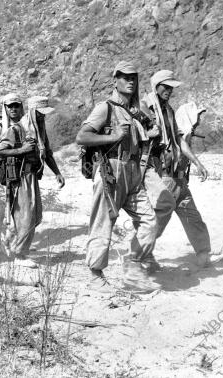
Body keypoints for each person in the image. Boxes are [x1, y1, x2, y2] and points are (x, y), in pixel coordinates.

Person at [75, 61, 160, 292]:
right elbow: (82, 137)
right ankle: (95, 274)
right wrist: (112, 138)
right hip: (111, 170)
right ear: (115, 80)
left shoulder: (133, 112)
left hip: (133, 171)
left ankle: (133, 267)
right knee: (103, 223)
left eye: (133, 77)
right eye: (124, 77)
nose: (130, 81)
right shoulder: (106, 108)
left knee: (149, 221)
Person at [129, 70, 212, 272]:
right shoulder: (143, 108)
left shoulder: (169, 111)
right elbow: (133, 137)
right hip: (161, 175)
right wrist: (149, 134)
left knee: (193, 218)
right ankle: (136, 256)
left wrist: (197, 163)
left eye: (171, 87)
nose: (169, 91)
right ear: (156, 85)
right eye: (165, 87)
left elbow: (178, 141)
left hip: (179, 178)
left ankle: (204, 255)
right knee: (155, 223)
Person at [0, 95, 65, 268]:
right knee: (26, 216)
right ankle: (20, 254)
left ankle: (9, 240)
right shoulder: (17, 129)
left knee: (34, 215)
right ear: (33, 112)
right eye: (40, 114)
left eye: (44, 114)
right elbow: (0, 152)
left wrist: (57, 172)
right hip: (20, 178)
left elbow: (47, 153)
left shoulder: (40, 130)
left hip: (32, 177)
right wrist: (21, 150)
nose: (43, 117)